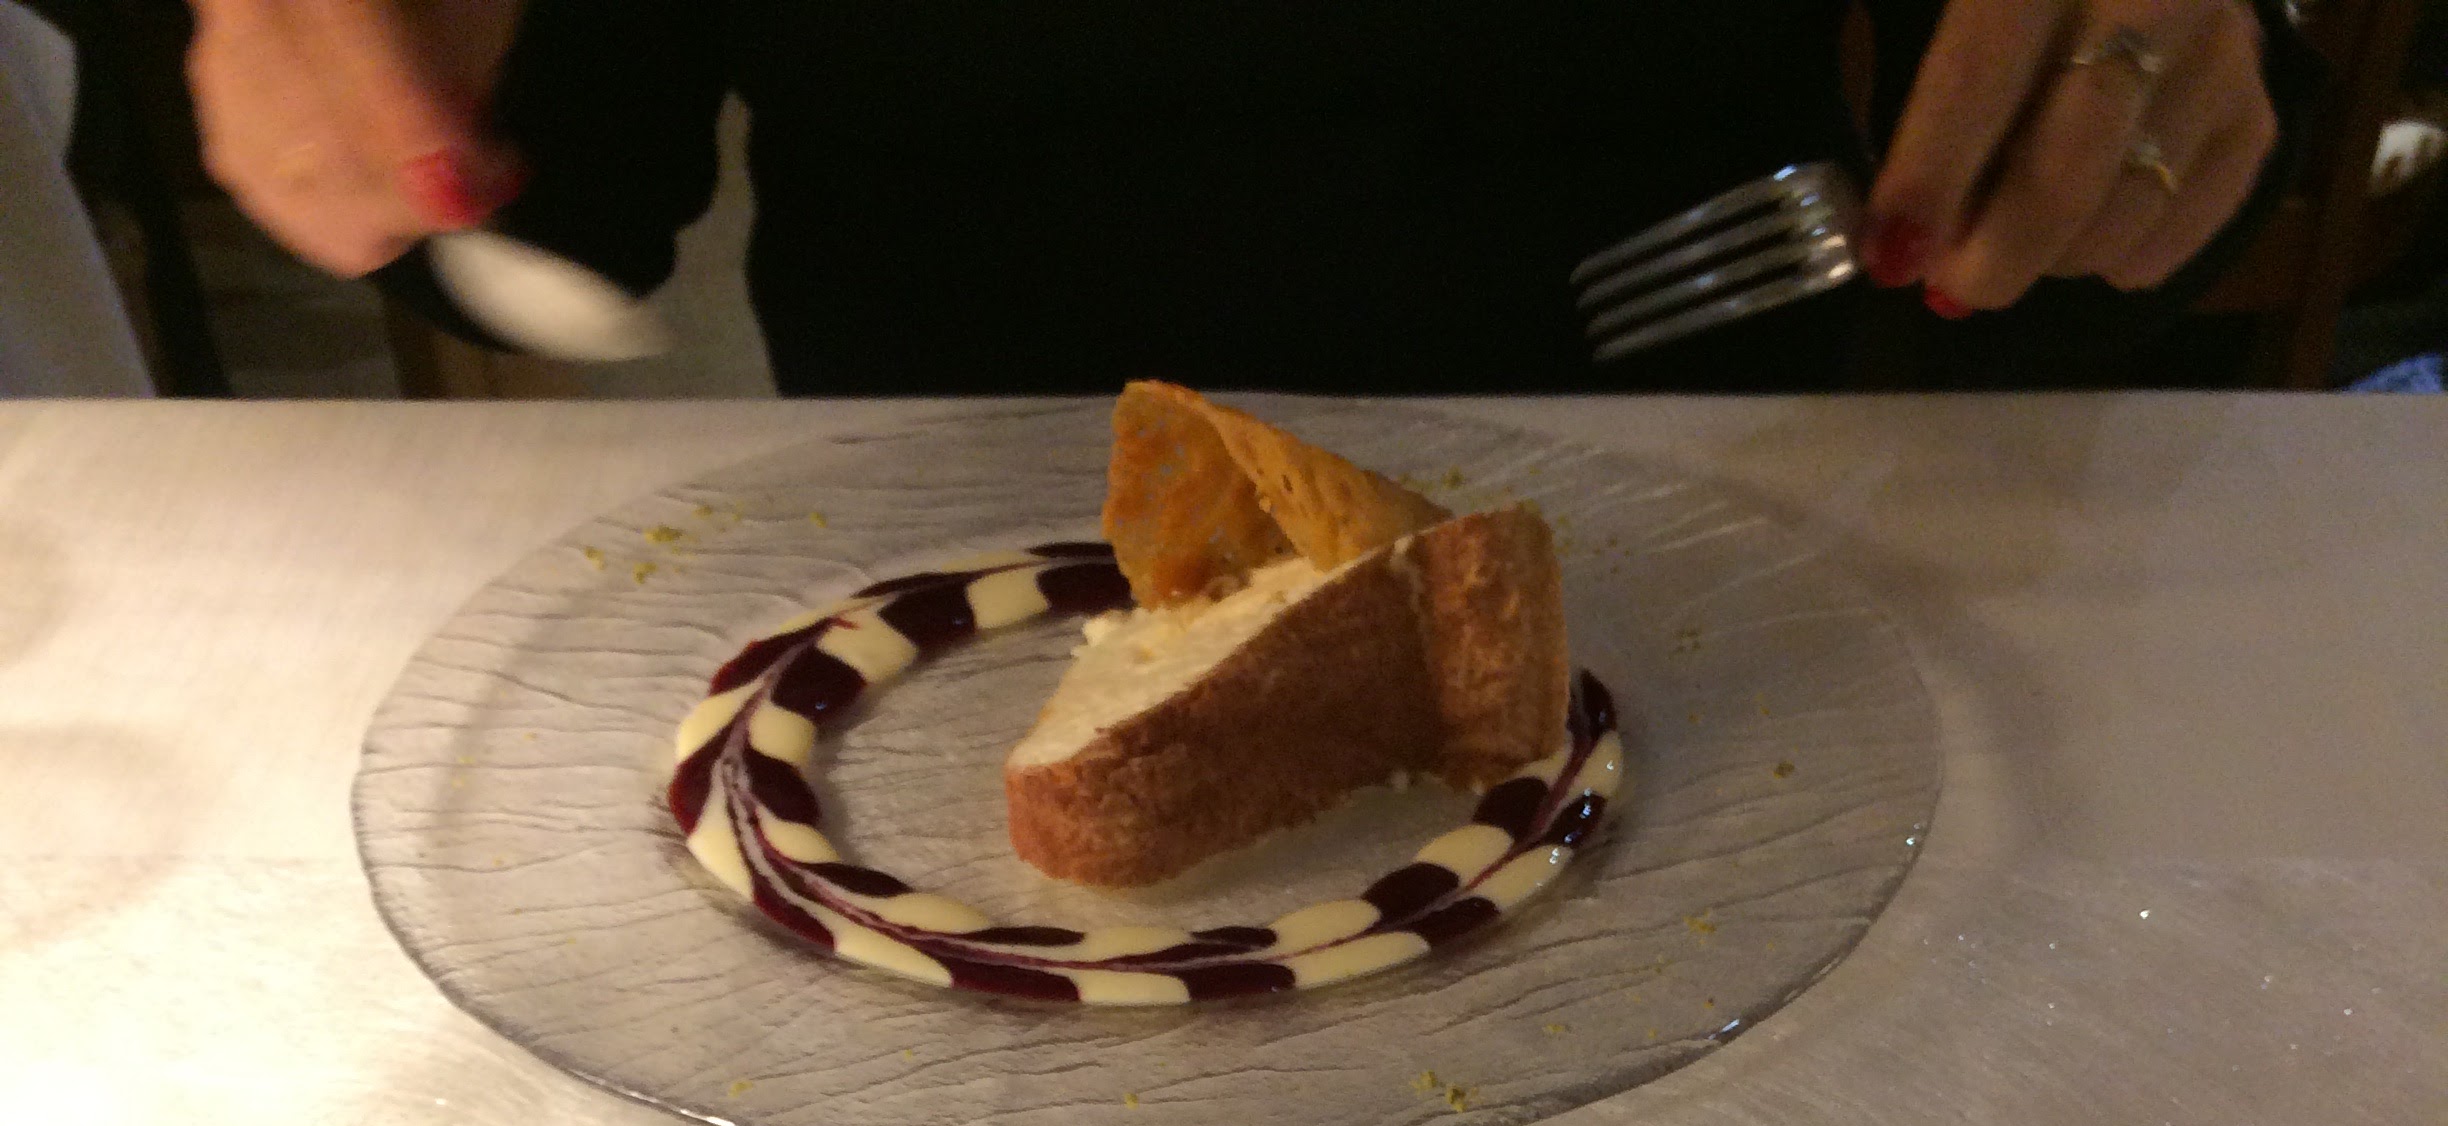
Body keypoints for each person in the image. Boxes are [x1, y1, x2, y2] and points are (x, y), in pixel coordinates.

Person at [185, 0, 2293, 391]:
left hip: (1713, 493)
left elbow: (2071, 165)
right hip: (970, 562)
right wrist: (401, 111)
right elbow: (566, 224)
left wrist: (2131, 101)